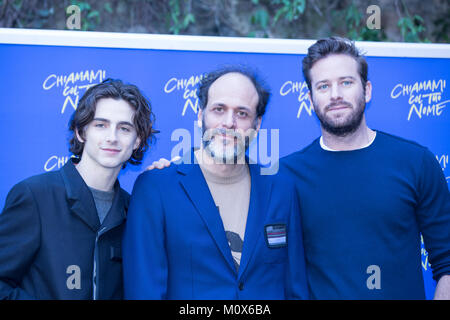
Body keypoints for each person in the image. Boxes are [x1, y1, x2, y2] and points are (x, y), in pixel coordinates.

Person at [280, 37, 450, 299]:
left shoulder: (416, 162)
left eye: (346, 82)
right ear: (310, 98)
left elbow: (447, 261)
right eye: (323, 86)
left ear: (367, 90)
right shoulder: (286, 175)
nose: (335, 94)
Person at [122, 67, 309, 299]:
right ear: (201, 115)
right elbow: (144, 292)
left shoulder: (281, 188)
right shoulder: (156, 188)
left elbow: (294, 288)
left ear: (257, 124)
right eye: (219, 109)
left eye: (242, 113)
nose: (228, 123)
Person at [0, 79, 155, 299]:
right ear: (81, 132)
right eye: (100, 125)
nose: (112, 137)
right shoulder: (35, 196)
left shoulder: (134, 211)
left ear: (137, 140)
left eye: (124, 128)